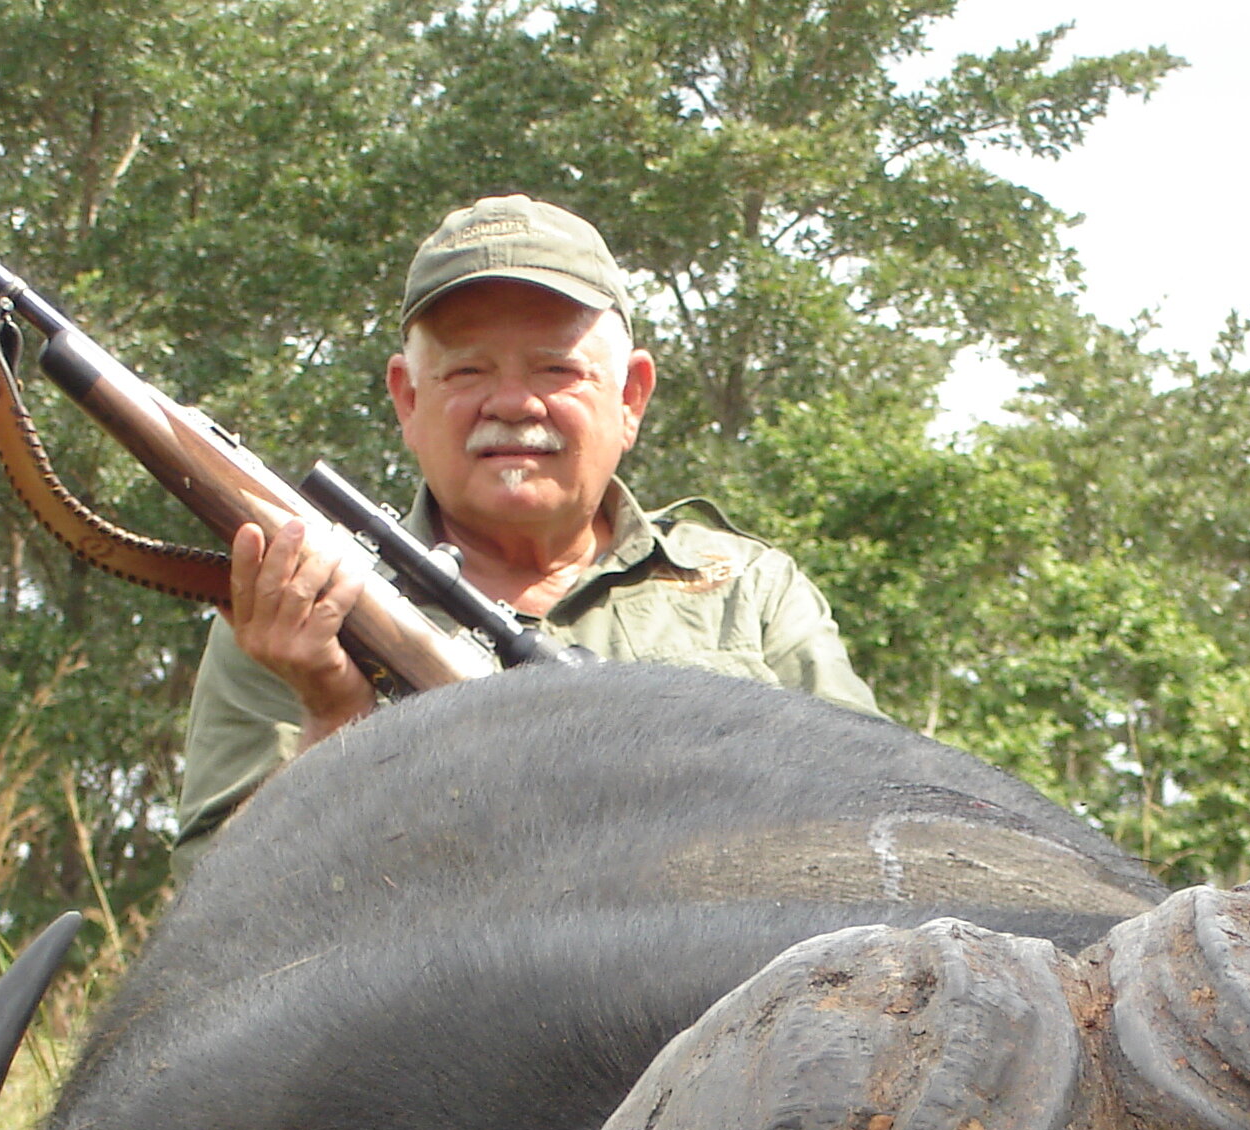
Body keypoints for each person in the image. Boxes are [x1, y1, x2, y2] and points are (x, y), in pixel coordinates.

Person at [175, 194, 880, 858]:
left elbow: (886, 823)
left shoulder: (749, 592)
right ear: (407, 399)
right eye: (467, 371)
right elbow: (216, 918)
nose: (512, 403)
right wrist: (334, 717)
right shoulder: (300, 605)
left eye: (556, 369)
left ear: (631, 397)